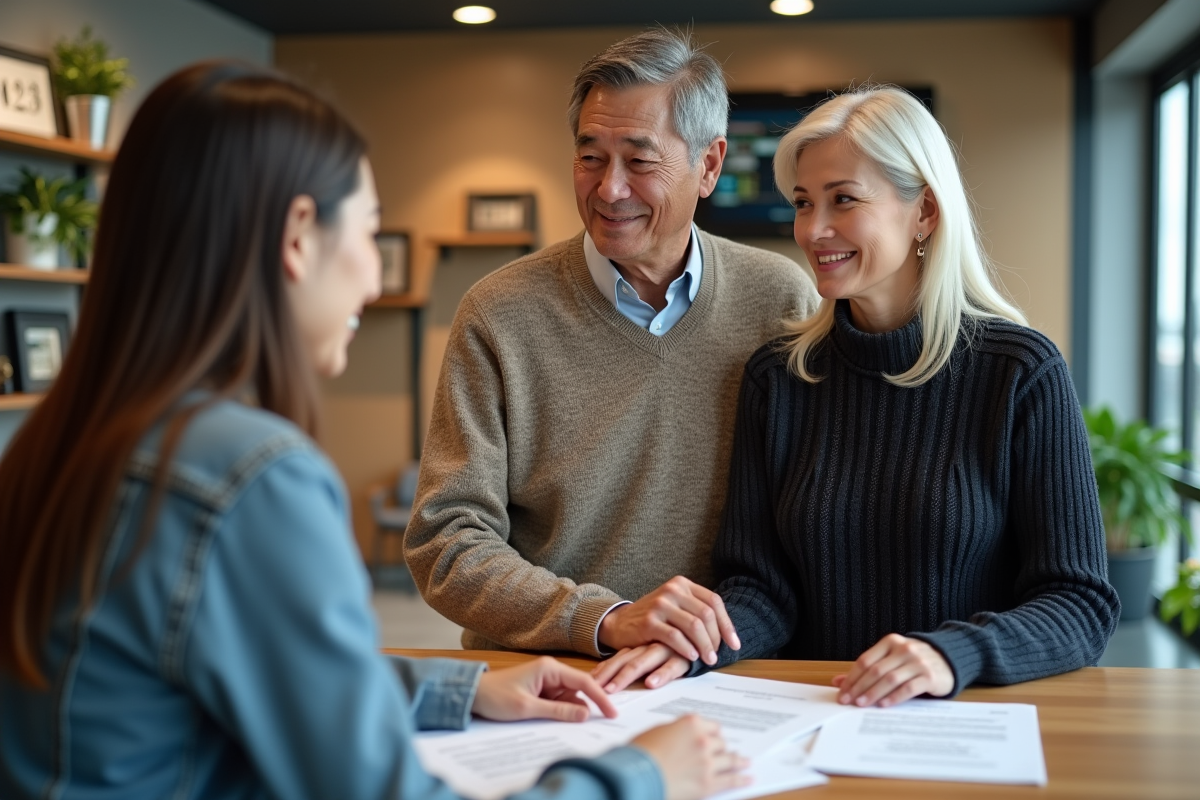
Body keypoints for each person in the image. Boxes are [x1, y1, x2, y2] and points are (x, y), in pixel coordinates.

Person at [0, 61, 750, 800]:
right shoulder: (247, 479)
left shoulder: (65, 444)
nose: (370, 276)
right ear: (299, 236)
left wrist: (451, 691)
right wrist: (643, 777)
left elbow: (258, 667)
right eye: (367, 230)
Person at [592, 85, 1121, 702]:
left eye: (843, 200)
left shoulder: (1021, 373)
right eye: (802, 202)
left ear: (924, 211)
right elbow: (762, 591)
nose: (814, 230)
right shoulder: (778, 378)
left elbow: (1080, 603)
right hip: (819, 711)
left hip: (964, 716)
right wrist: (689, 650)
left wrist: (950, 656)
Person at [403, 29, 819, 665]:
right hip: (543, 671)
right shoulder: (498, 313)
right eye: (589, 156)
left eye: (640, 160)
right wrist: (604, 618)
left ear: (709, 165)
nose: (608, 189)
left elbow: (807, 514)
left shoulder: (781, 301)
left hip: (715, 665)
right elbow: (446, 541)